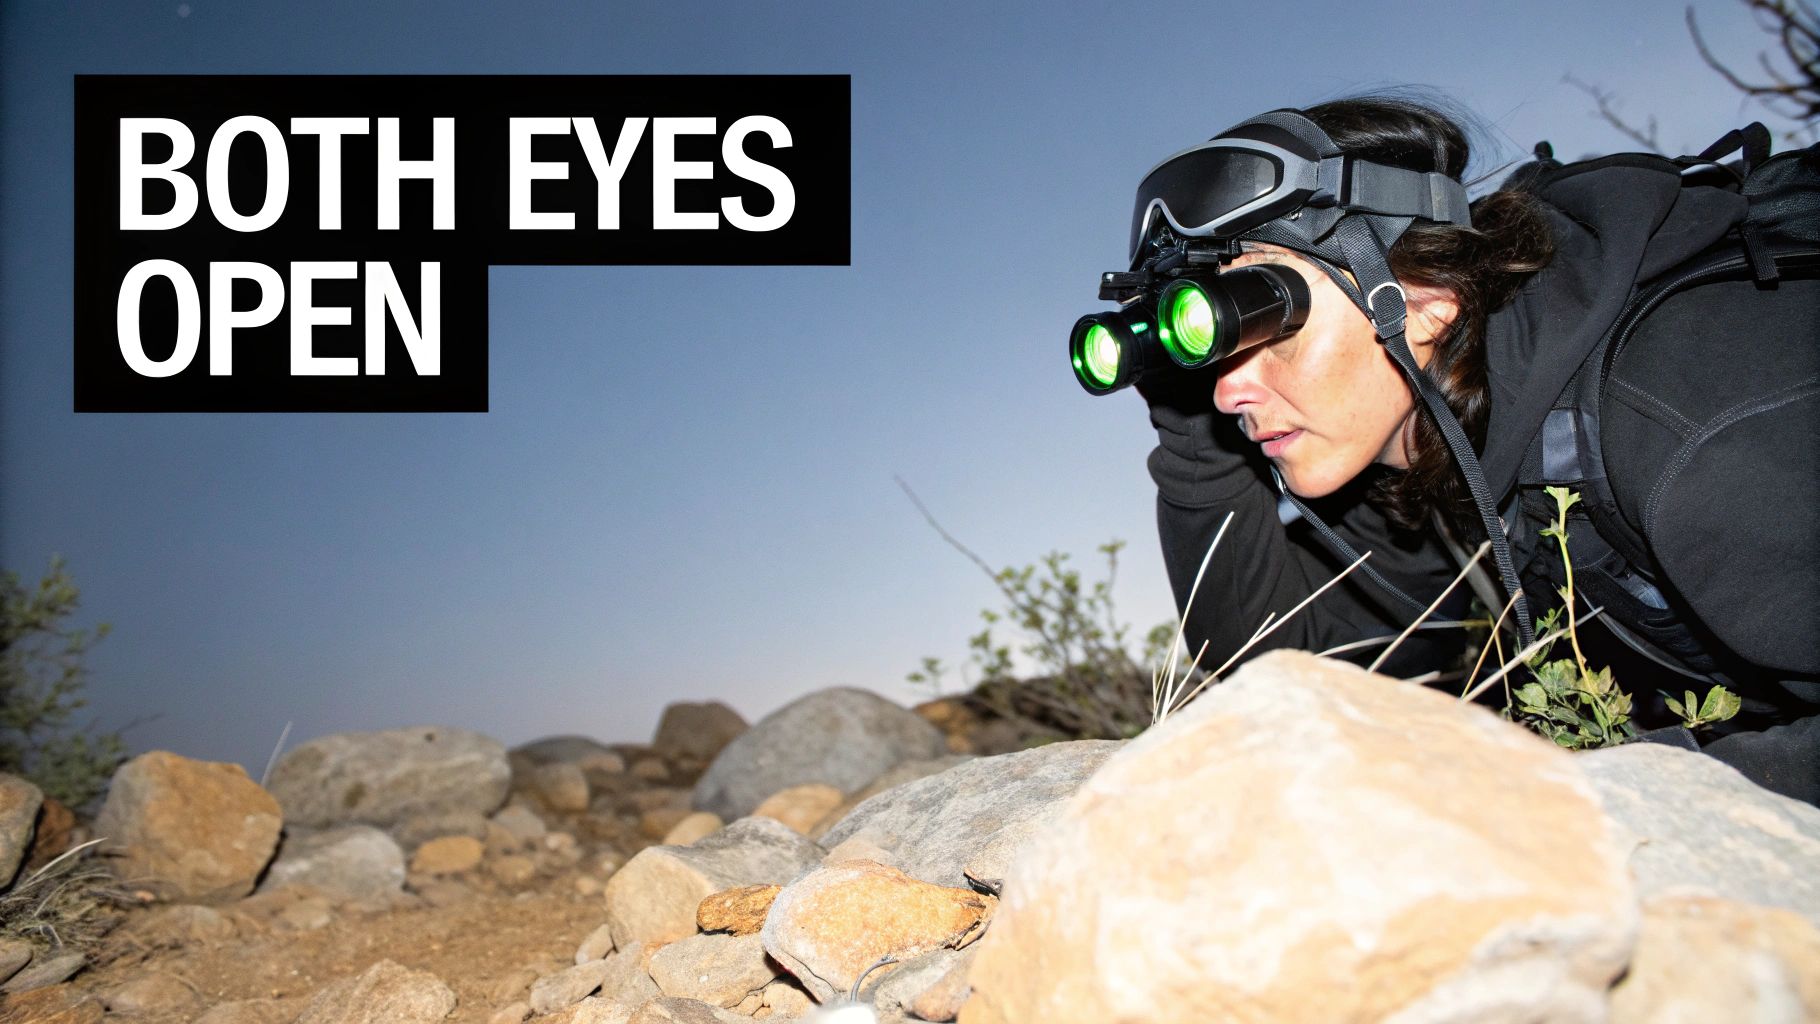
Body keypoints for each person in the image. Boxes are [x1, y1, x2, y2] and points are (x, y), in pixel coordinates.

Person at [1110, 96, 1819, 804]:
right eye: (1222, 351)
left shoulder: (1687, 418)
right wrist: (1184, 412)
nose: (1230, 393)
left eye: (1272, 329)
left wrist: (1557, 809)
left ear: (1423, 298)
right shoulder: (1443, 451)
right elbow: (1277, 666)